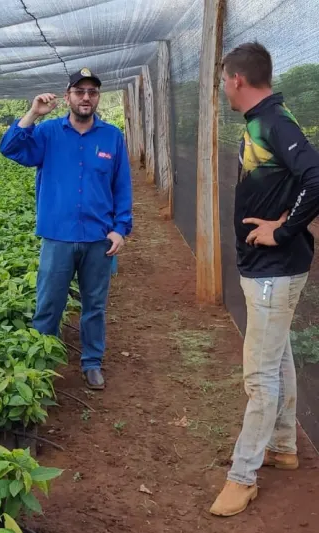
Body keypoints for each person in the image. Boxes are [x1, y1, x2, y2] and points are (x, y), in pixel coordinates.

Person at [210, 42, 319, 517]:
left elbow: (317, 176)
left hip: (276, 270)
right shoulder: (263, 122)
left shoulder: (274, 123)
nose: (221, 88)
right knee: (277, 358)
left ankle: (243, 474)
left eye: (222, 80)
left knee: (258, 374)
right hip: (266, 270)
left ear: (237, 79)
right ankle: (282, 445)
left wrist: (283, 228)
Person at [0, 68, 133, 390]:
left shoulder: (112, 137)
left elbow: (122, 186)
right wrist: (32, 112)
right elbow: (10, 148)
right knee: (49, 303)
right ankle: (41, 364)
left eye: (92, 92)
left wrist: (120, 229)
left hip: (98, 239)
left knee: (94, 305)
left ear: (98, 98)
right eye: (79, 91)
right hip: (58, 237)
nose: (86, 97)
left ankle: (91, 362)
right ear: (68, 95)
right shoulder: (47, 134)